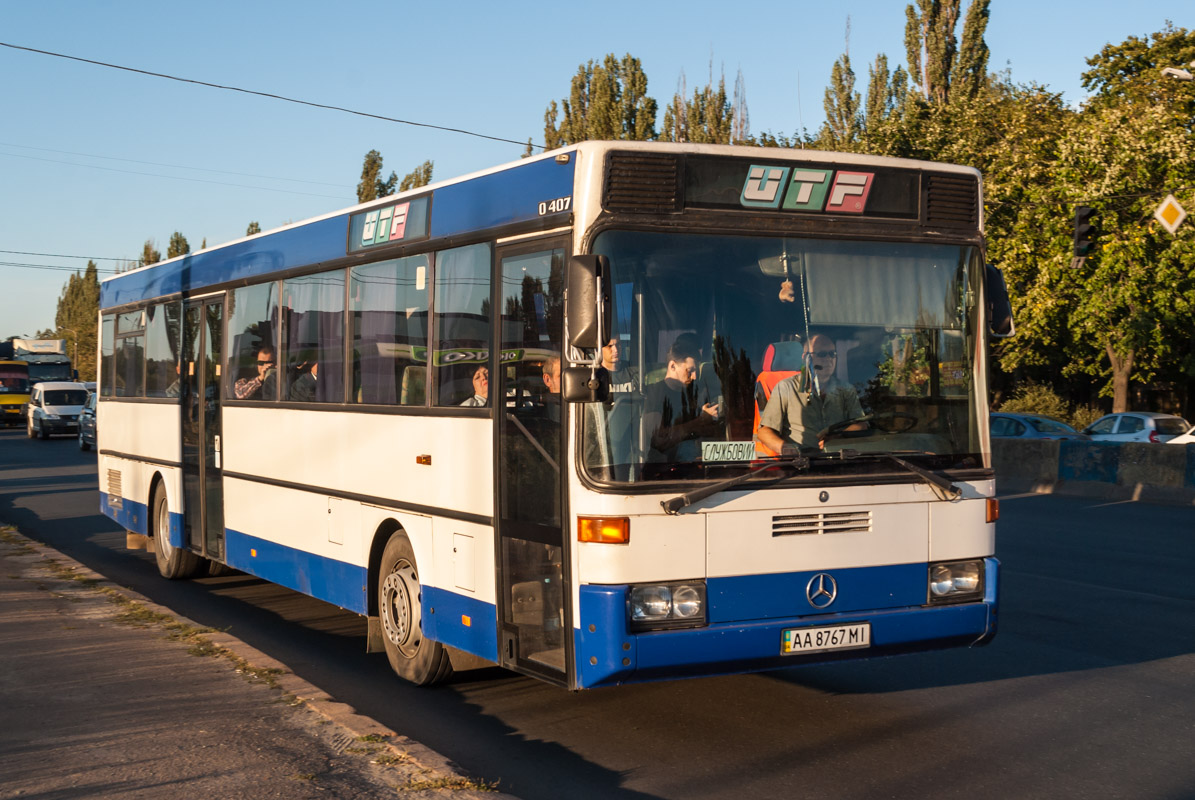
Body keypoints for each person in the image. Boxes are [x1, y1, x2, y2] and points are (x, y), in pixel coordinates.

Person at [756, 332, 865, 453]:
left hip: (840, 459)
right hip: (801, 463)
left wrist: (839, 437)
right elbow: (764, 432)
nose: (829, 359)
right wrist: (785, 448)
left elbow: (861, 424)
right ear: (805, 358)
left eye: (832, 354)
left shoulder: (846, 389)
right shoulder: (786, 387)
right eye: (822, 354)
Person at [643, 338, 720, 463]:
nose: (694, 377)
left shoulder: (697, 393)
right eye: (690, 371)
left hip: (696, 465)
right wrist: (700, 420)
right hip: (662, 469)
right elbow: (660, 439)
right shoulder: (654, 393)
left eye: (696, 371)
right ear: (672, 366)